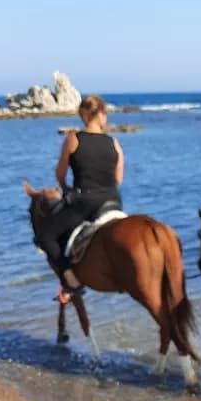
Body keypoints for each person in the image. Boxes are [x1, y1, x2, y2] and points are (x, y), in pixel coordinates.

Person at [37, 94, 124, 294]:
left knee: (46, 236)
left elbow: (60, 174)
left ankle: (70, 278)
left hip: (85, 202)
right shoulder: (114, 143)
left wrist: (66, 188)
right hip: (113, 201)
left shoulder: (73, 139)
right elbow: (118, 179)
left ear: (83, 116)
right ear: (101, 115)